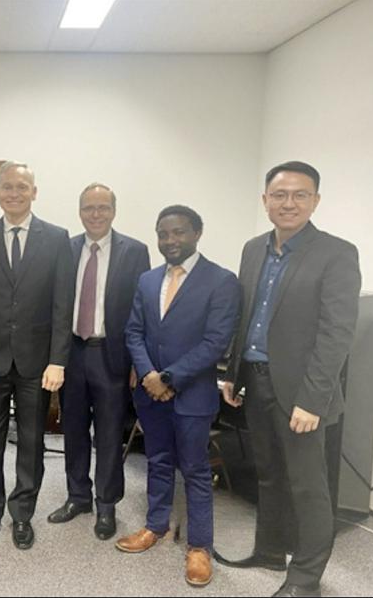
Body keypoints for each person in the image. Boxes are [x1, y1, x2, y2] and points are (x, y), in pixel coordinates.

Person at [216, 161, 361, 598]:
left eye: (300, 195)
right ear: (265, 201)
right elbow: (246, 317)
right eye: (279, 195)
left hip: (302, 393)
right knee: (268, 475)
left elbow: (337, 334)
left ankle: (306, 578)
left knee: (308, 486)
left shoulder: (337, 253)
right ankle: (269, 550)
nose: (289, 203)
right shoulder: (253, 248)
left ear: (315, 201)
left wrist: (313, 400)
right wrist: (232, 373)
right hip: (256, 380)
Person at [118, 205, 240, 588]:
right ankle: (155, 526)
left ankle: (199, 547)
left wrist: (170, 377)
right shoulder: (148, 280)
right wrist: (151, 376)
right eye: (163, 233)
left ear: (197, 233)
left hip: (192, 395)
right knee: (157, 461)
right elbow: (134, 332)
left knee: (196, 470)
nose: (170, 240)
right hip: (151, 395)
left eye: (179, 232)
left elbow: (216, 341)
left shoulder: (221, 281)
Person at [0, 161, 75, 550]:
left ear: (34, 191)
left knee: (31, 443)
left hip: (37, 364)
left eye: (22, 187)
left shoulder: (58, 238)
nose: (14, 193)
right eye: (7, 187)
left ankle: (22, 514)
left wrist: (58, 360)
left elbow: (64, 305)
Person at [47, 183, 149, 540]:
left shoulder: (135, 251)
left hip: (112, 355)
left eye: (102, 207)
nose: (95, 214)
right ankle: (78, 497)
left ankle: (106, 505)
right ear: (79, 211)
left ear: (114, 211)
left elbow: (142, 310)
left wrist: (140, 362)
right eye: (89, 207)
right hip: (72, 353)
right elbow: (56, 304)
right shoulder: (66, 248)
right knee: (73, 431)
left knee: (108, 435)